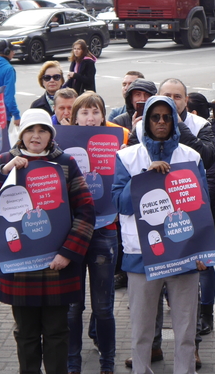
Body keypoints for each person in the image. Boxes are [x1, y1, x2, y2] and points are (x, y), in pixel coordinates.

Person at [0, 108, 95, 374]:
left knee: (57, 333)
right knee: (26, 334)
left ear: (50, 134)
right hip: (19, 264)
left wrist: (69, 252)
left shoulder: (65, 162)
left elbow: (86, 210)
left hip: (58, 264)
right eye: (30, 130)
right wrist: (4, 172)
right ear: (21, 135)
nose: (36, 135)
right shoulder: (5, 159)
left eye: (42, 130)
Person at [112, 96, 208, 374]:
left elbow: (200, 208)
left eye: (168, 117)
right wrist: (145, 178)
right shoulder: (128, 157)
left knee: (186, 332)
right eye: (156, 117)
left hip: (183, 255)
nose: (162, 122)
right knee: (142, 332)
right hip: (142, 255)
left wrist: (202, 252)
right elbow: (120, 204)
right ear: (146, 121)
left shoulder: (191, 157)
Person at [66, 91, 127, 374]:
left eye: (95, 112)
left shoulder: (117, 142)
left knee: (103, 307)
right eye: (84, 112)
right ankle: (72, 364)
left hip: (105, 230)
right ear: (73, 117)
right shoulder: (62, 148)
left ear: (103, 116)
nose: (90, 118)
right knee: (72, 307)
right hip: (72, 234)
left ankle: (107, 364)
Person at [186, 93, 215, 338]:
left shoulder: (208, 137)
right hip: (188, 213)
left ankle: (206, 313)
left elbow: (214, 180)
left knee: (205, 265)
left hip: (205, 214)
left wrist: (191, 201)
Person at [157, 79, 215, 167]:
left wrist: (180, 126)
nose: (172, 101)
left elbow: (207, 159)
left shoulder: (200, 124)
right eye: (167, 96)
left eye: (177, 97)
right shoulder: (142, 125)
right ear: (157, 97)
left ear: (185, 101)